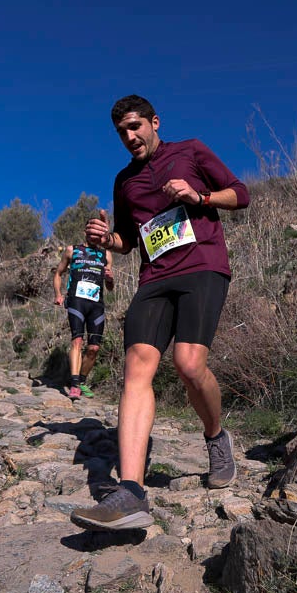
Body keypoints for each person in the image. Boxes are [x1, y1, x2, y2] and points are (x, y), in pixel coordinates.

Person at [71, 95, 250, 532]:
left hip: (203, 266)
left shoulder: (190, 151)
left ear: (154, 122)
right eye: (121, 132)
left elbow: (240, 195)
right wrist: (104, 240)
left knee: (189, 364)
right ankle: (130, 491)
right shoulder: (124, 182)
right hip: (154, 278)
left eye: (135, 127)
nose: (129, 137)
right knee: (137, 368)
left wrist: (200, 195)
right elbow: (128, 241)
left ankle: (215, 437)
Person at [54, 243, 114, 400]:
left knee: (94, 348)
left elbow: (110, 287)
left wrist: (109, 279)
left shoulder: (105, 254)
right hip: (76, 301)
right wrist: (58, 294)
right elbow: (58, 273)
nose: (94, 236)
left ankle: (81, 381)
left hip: (96, 304)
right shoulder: (72, 250)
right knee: (77, 341)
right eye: (91, 232)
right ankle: (74, 385)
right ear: (86, 233)